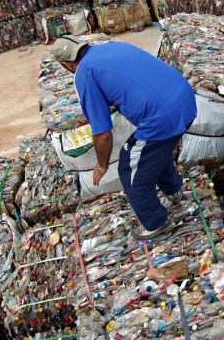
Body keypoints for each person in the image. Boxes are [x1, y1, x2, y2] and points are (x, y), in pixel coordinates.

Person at [49, 36, 197, 237]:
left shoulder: (84, 73)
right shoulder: (112, 46)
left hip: (162, 117)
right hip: (185, 98)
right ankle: (174, 190)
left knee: (130, 165)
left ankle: (156, 222)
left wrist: (102, 165)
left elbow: (102, 132)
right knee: (153, 152)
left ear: (66, 65)